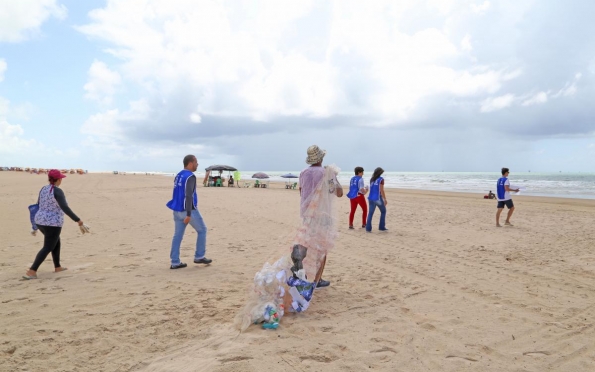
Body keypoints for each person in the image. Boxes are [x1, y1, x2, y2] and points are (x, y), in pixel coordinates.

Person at [23, 169, 85, 279]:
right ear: (59, 179)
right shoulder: (57, 191)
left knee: (56, 241)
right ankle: (32, 271)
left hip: (40, 220)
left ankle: (58, 267)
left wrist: (34, 225)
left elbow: (38, 204)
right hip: (52, 223)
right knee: (48, 246)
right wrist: (78, 220)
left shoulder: (44, 188)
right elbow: (64, 207)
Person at [297, 145, 343, 288]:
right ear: (321, 158)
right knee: (322, 248)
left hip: (307, 215)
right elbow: (338, 192)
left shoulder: (303, 173)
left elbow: (301, 191)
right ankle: (317, 279)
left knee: (307, 245)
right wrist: (334, 175)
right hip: (322, 215)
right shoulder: (326, 173)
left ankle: (303, 275)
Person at [166, 155, 212, 269]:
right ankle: (199, 256)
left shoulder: (179, 175)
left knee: (177, 236)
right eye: (196, 162)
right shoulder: (190, 176)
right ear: (190, 163)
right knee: (202, 230)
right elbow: (188, 195)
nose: (197, 165)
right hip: (187, 210)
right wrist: (188, 214)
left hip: (176, 209)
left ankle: (175, 261)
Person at [366, 167, 388, 232]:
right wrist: (385, 199)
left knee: (370, 213)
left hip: (371, 197)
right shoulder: (381, 179)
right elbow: (381, 190)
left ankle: (368, 228)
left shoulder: (372, 179)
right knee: (383, 211)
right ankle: (381, 226)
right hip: (378, 198)